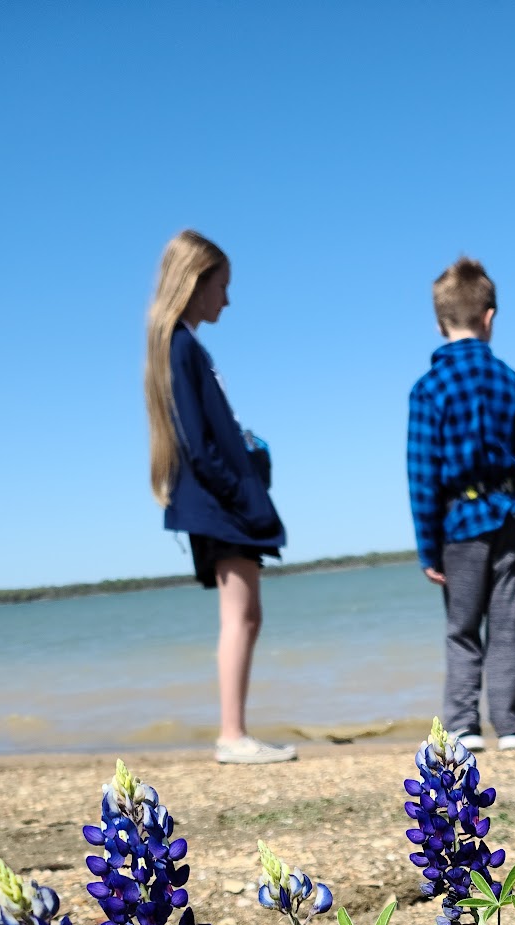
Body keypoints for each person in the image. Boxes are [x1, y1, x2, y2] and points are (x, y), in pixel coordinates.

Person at [144, 230, 294, 766]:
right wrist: (241, 493)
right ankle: (233, 735)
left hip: (216, 499)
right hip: (218, 502)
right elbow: (198, 444)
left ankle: (236, 731)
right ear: (196, 283)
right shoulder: (180, 346)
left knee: (247, 613)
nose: (227, 299)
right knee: (241, 616)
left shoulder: (184, 346)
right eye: (222, 286)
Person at [407, 257, 515, 753]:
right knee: (507, 622)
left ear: (439, 321)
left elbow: (421, 476)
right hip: (507, 515)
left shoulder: (429, 389)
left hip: (459, 524)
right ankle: (509, 727)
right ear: (489, 317)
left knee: (462, 628)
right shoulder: (510, 381)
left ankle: (465, 727)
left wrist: (428, 548)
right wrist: (507, 490)